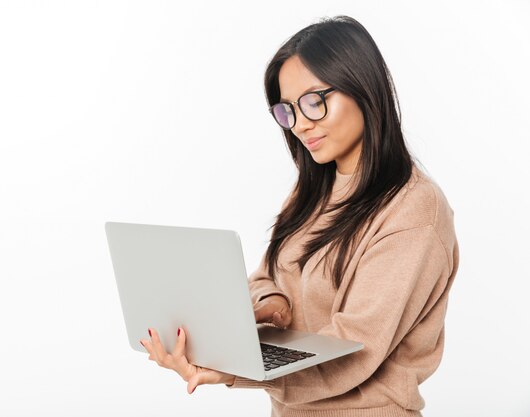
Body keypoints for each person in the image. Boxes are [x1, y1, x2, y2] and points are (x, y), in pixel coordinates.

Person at [139, 15, 459, 417]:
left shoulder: (414, 210)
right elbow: (265, 275)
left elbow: (353, 349)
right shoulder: (313, 189)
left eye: (314, 101)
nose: (301, 124)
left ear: (364, 88)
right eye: (287, 109)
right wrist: (271, 305)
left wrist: (230, 367)